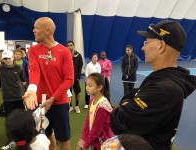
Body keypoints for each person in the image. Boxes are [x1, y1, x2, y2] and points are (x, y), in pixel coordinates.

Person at [110, 20, 196, 150]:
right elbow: (132, 94)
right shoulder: (161, 79)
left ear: (161, 45)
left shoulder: (164, 89)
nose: (143, 47)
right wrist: (129, 102)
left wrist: (127, 104)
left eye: (147, 42)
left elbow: (119, 121)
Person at [23, 17, 74, 150]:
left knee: (63, 138)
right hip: (40, 103)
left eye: (37, 28)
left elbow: (69, 79)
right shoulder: (33, 50)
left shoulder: (65, 52)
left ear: (48, 30)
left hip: (59, 102)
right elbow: (34, 70)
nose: (33, 30)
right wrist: (32, 90)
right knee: (43, 136)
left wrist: (52, 99)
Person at [76, 73, 113, 150]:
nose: (86, 88)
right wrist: (82, 139)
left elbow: (96, 130)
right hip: (96, 142)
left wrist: (85, 145)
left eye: (90, 86)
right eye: (86, 85)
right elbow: (87, 121)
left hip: (103, 144)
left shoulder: (102, 107)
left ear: (99, 87)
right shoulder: (92, 100)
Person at [0, 50, 26, 117]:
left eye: (9, 58)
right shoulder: (0, 69)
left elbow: (24, 80)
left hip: (19, 97)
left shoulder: (19, 68)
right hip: (7, 98)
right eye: (5, 58)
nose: (7, 60)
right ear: (2, 59)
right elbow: (1, 82)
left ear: (13, 57)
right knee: (9, 117)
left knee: (21, 116)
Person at [67, 41, 83, 113]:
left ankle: (76, 106)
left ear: (73, 46)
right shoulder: (65, 54)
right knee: (68, 93)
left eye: (71, 45)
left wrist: (78, 76)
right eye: (68, 45)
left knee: (77, 92)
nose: (70, 47)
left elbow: (80, 65)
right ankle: (70, 106)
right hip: (67, 78)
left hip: (75, 77)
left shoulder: (78, 55)